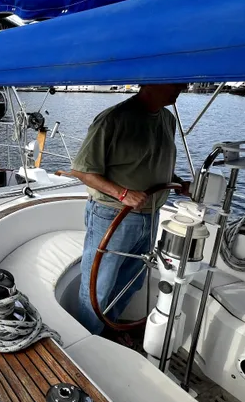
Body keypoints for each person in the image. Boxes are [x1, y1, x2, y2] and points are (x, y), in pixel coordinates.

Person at [56, 84, 190, 335]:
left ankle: (107, 331)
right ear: (151, 82)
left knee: (133, 281)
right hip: (112, 215)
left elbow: (152, 163)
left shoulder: (167, 119)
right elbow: (83, 171)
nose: (184, 86)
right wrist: (123, 194)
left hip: (151, 216)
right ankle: (86, 339)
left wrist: (178, 182)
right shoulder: (113, 119)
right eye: (175, 81)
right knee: (99, 287)